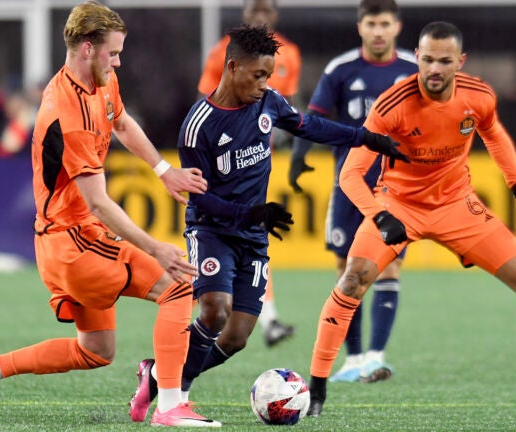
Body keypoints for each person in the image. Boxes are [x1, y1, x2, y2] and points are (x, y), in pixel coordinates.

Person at [306, 21, 516, 417]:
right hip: (399, 203)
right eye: (426, 59)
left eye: (444, 61)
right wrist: (378, 216)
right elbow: (349, 174)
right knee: (353, 280)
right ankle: (316, 394)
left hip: (456, 205)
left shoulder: (478, 96)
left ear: (459, 62)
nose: (433, 69)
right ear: (418, 57)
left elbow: (493, 134)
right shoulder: (392, 104)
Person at [127, 24, 408, 424]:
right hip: (211, 230)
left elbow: (308, 126)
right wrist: (250, 214)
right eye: (258, 75)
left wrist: (364, 137)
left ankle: (156, 376)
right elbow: (199, 197)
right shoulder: (199, 124)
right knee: (214, 310)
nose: (264, 84)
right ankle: (177, 399)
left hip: (253, 234)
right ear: (232, 67)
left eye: (268, 75)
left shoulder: (269, 103)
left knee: (237, 336)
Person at [0, 1, 218, 427]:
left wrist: (164, 170)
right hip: (75, 242)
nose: (118, 61)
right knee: (177, 283)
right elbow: (98, 201)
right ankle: (170, 405)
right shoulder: (67, 111)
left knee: (95, 350)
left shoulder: (101, 80)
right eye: (112, 53)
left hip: (64, 240)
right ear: (85, 49)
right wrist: (155, 247)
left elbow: (123, 123)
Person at [288, 0, 416, 384]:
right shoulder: (341, 69)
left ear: (397, 27)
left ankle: (376, 356)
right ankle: (354, 359)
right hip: (351, 182)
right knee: (346, 267)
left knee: (389, 264)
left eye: (385, 24)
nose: (378, 31)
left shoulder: (414, 69)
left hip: (398, 186)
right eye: (372, 23)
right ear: (360, 26)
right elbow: (314, 118)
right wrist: (298, 157)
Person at [198, 0, 302, 347]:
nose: (259, 16)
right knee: (239, 233)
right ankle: (251, 313)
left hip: (259, 161)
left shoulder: (291, 54)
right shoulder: (220, 53)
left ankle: (261, 316)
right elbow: (207, 104)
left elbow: (284, 110)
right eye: (253, 9)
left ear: (275, 15)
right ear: (244, 15)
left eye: (265, 10)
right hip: (227, 163)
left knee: (253, 237)